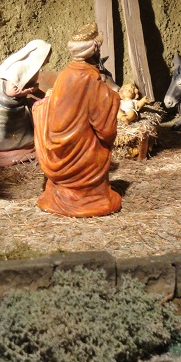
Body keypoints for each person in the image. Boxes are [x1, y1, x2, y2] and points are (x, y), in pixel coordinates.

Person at [33, 22, 121, 217]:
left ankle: (59, 194)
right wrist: (114, 97)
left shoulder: (65, 73)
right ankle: (87, 198)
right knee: (96, 145)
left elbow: (56, 107)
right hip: (81, 153)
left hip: (59, 149)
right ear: (94, 51)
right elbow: (103, 124)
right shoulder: (90, 78)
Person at [0, 39, 52, 168]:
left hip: (17, 102)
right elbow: (11, 91)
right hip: (7, 105)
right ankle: (8, 150)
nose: (47, 61)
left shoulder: (30, 68)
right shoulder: (18, 67)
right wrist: (29, 91)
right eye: (46, 58)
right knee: (14, 129)